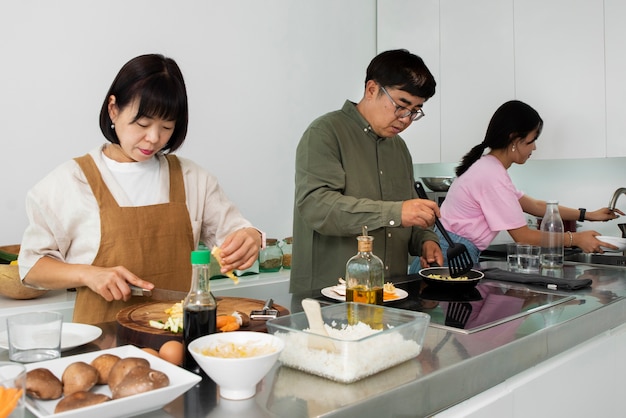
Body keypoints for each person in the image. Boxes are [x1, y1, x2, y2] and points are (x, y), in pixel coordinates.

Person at [18, 54, 263, 324]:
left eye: (167, 127)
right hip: (103, 346)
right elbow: (31, 267)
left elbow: (235, 233)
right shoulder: (70, 181)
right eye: (143, 124)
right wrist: (88, 274)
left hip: (179, 340)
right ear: (113, 109)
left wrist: (249, 237)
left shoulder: (192, 178)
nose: (154, 138)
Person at [290, 49, 444, 296]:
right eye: (401, 105)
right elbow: (317, 207)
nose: (406, 119)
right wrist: (396, 212)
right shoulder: (325, 133)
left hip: (390, 293)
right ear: (372, 89)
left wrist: (426, 240)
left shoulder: (399, 148)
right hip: (330, 296)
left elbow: (405, 215)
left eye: (415, 111)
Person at [410, 100, 623, 272]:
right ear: (514, 139)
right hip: (447, 256)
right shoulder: (491, 174)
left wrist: (589, 214)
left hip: (450, 250)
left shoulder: (490, 167)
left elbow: (536, 205)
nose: (535, 147)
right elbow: (523, 236)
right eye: (531, 141)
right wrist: (575, 238)